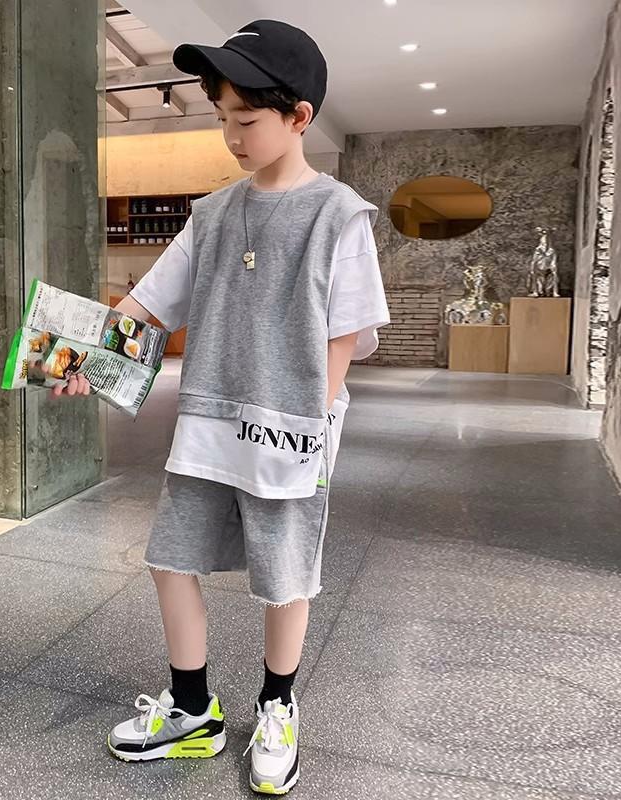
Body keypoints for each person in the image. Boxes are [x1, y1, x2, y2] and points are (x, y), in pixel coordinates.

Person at [53, 19, 389, 795]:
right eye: (221, 117)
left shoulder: (338, 215)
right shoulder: (210, 215)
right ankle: (192, 710)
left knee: (285, 576)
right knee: (171, 559)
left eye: (247, 118)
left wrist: (311, 432)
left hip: (287, 432)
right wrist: (83, 361)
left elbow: (343, 337)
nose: (232, 136)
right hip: (207, 425)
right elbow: (145, 306)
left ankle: (277, 706)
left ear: (299, 117)